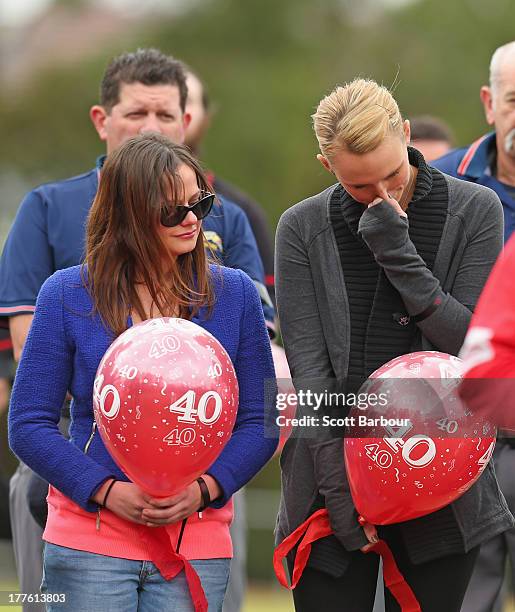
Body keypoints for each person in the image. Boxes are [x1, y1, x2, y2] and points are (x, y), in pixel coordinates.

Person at [0, 48, 272, 611]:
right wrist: (104, 491)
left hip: (197, 538)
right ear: (128, 212)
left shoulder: (236, 295)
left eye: (201, 203)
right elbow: (28, 423)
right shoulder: (66, 293)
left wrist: (204, 489)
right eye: (174, 211)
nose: (193, 220)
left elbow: (261, 419)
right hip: (89, 535)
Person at [274, 77, 514, 612]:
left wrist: (395, 250)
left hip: (443, 475)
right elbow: (312, 374)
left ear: (405, 133)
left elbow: (468, 347)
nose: (383, 195)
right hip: (330, 479)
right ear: (327, 166)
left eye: (392, 175)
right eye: (360, 187)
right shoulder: (301, 228)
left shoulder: (475, 209)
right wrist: (341, 494)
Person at [433, 40, 515, 612]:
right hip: (465, 426)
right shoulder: (442, 188)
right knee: (466, 595)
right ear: (489, 103)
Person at [183, 69, 276, 305]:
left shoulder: (240, 210)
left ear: (205, 116)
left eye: (187, 100)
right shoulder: (95, 200)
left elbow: (267, 305)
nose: (176, 108)